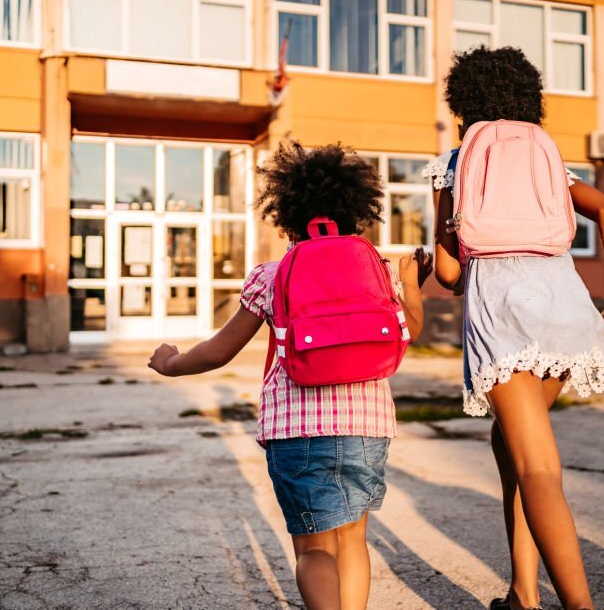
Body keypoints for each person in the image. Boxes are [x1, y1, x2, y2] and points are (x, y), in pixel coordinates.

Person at [149, 142, 432, 610]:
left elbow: (220, 351)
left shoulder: (272, 274)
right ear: (356, 213)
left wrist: (171, 362)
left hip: (295, 430)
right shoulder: (377, 269)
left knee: (314, 548)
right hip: (366, 427)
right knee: (352, 541)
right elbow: (410, 332)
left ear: (286, 218)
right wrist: (411, 285)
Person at [423, 46, 604, 610]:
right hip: (567, 306)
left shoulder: (455, 161)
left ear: (463, 101)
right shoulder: (546, 159)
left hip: (506, 313)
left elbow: (449, 274)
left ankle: (580, 607)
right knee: (513, 446)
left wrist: (427, 260)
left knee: (537, 467)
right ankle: (522, 594)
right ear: (527, 98)